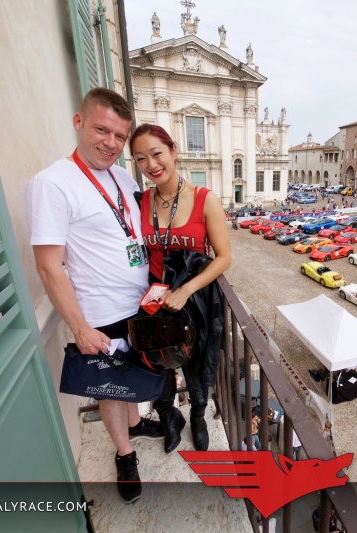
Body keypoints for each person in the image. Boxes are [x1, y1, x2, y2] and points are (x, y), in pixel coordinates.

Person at [26, 88, 162, 504]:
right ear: (78, 122)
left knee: (136, 381)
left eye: (120, 137)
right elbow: (49, 266)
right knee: (110, 390)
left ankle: (136, 423)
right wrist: (79, 327)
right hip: (99, 313)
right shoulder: (51, 183)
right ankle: (125, 456)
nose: (111, 143)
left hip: (139, 306)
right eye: (101, 130)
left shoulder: (121, 176)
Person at [130, 124, 231, 453]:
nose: (151, 165)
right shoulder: (140, 201)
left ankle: (199, 417)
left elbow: (224, 258)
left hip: (195, 300)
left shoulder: (205, 199)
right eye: (141, 159)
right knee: (156, 363)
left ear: (173, 150)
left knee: (198, 364)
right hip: (154, 299)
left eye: (156, 153)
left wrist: (186, 290)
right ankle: (169, 417)